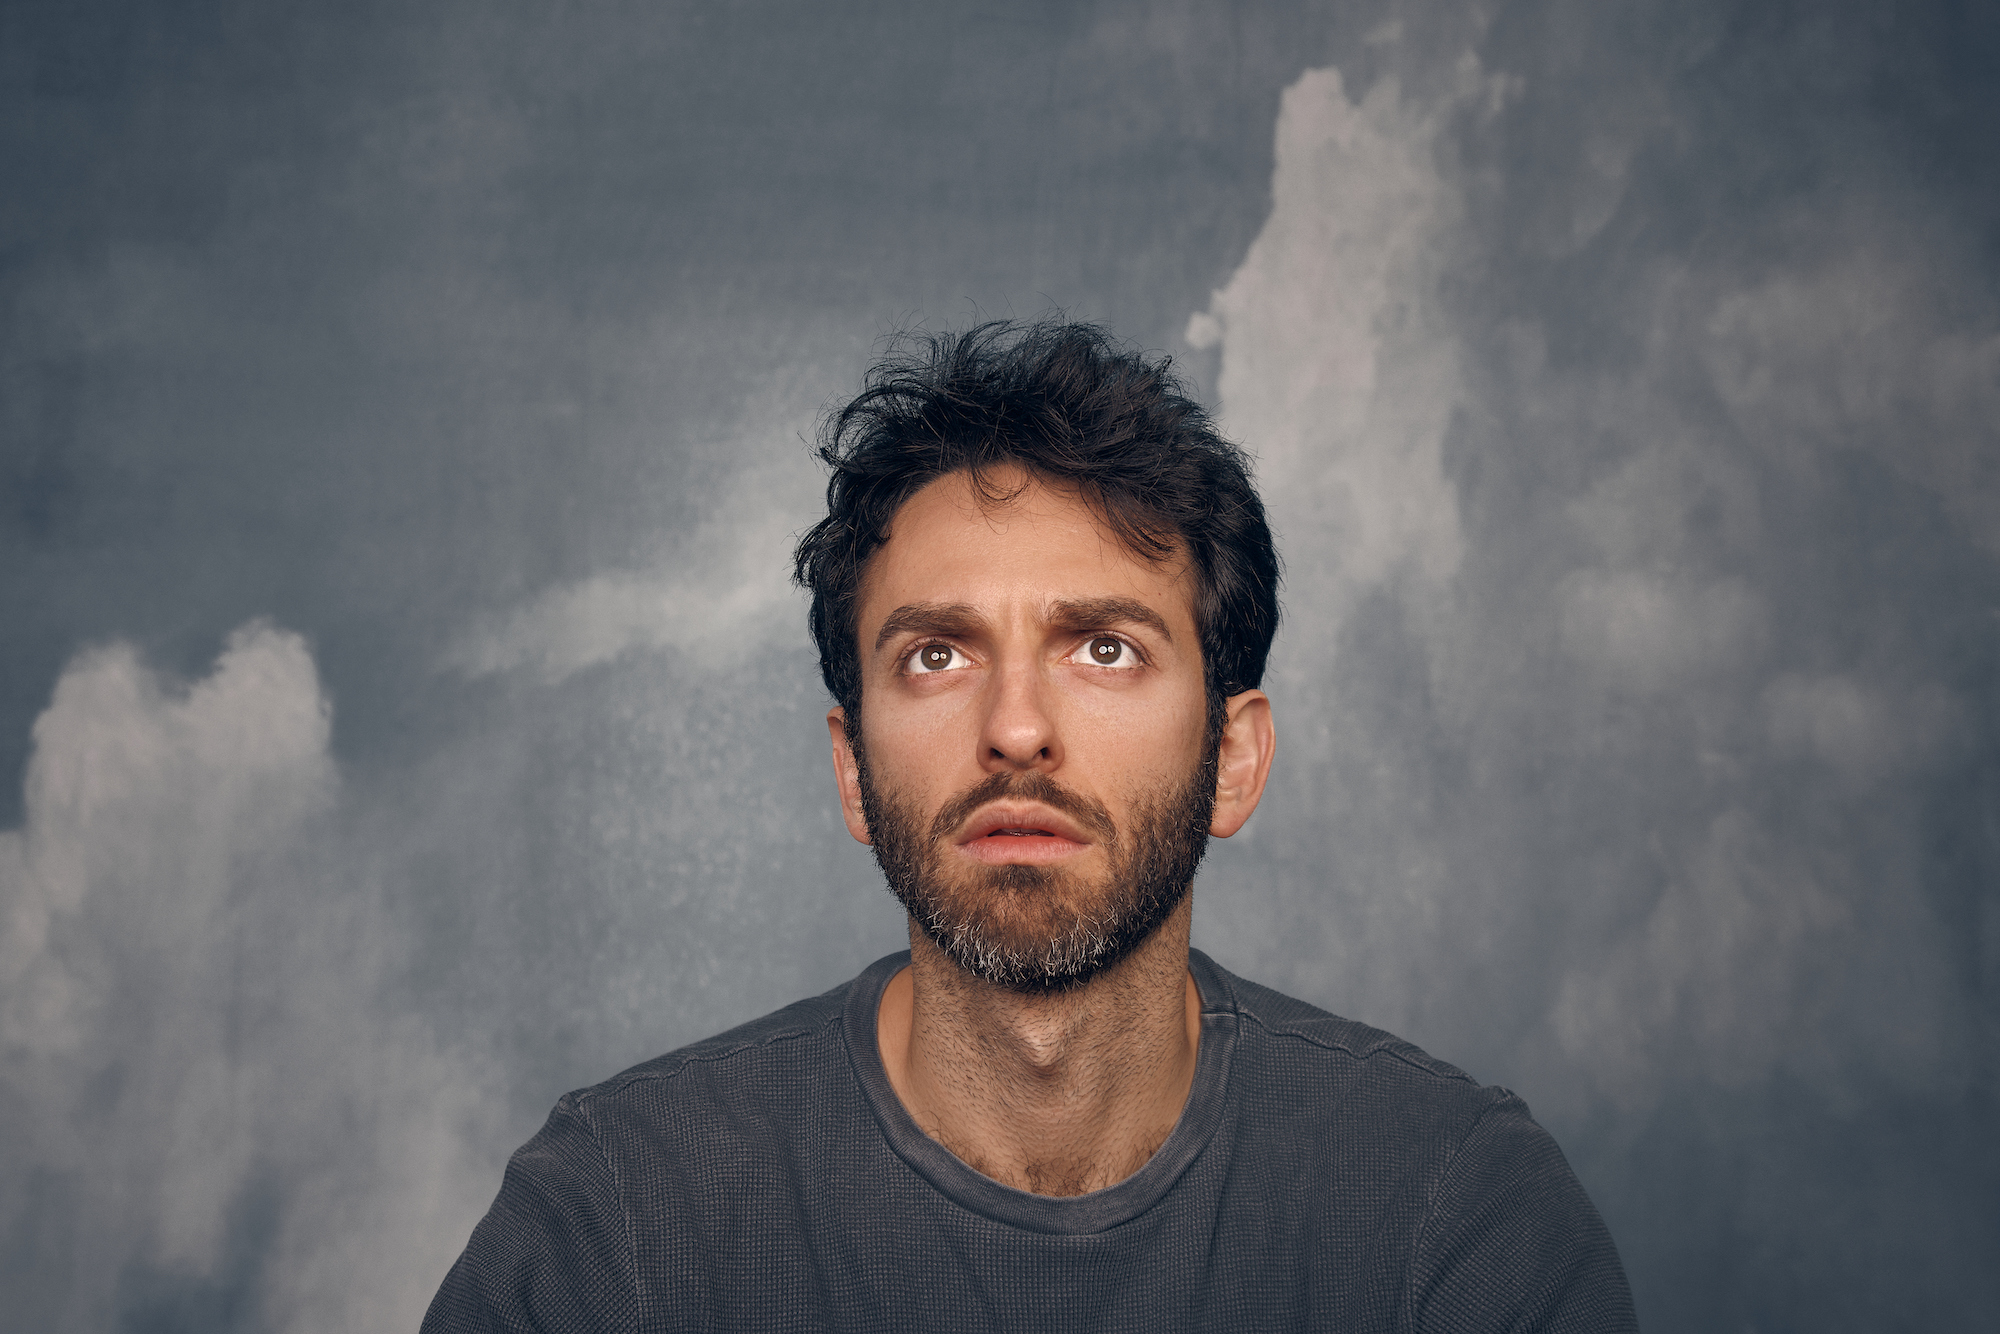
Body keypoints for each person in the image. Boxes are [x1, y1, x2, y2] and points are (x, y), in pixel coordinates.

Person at [422, 321, 1638, 1332]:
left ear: (1233, 756)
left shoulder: (1451, 1216)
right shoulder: (620, 1226)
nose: (1014, 728)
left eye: (1102, 648)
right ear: (851, 767)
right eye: (935, 654)